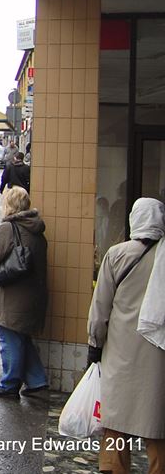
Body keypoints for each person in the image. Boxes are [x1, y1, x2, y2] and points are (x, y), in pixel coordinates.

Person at [87, 198, 165, 473]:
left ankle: (115, 468)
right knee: (156, 421)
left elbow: (100, 309)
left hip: (120, 352)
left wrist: (94, 345)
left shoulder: (117, 254)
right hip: (158, 354)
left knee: (117, 421)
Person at [0, 186, 49, 398]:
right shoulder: (37, 229)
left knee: (9, 340)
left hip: (11, 296)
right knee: (21, 339)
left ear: (8, 205)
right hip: (32, 296)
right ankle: (37, 382)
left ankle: (9, 385)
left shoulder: (8, 229)